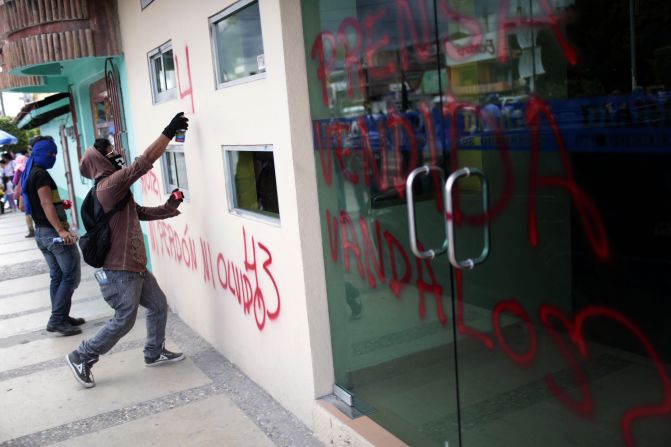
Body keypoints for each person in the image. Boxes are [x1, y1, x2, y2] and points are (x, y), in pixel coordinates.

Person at [66, 112, 189, 389]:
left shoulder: (114, 188)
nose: (115, 153)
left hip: (133, 264)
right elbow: (142, 163)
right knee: (124, 318)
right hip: (120, 269)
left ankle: (154, 352)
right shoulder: (110, 184)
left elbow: (138, 212)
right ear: (99, 160)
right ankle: (81, 356)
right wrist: (168, 132)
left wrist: (169, 207)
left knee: (158, 305)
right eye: (109, 151)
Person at [21, 136, 85, 336]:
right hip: (52, 233)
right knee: (70, 275)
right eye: (51, 153)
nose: (54, 157)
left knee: (57, 276)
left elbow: (25, 205)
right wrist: (61, 230)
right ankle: (57, 319)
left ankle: (62, 316)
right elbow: (46, 203)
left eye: (56, 153)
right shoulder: (40, 175)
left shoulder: (29, 172)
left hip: (41, 232)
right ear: (40, 152)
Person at [12, 153, 35, 237]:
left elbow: (14, 181)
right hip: (33, 190)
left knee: (27, 211)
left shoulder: (18, 169)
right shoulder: (30, 167)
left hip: (23, 192)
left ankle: (31, 230)